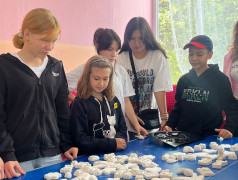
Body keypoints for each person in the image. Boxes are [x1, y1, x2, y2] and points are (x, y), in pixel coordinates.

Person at [0, 8, 78, 179]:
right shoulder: (4, 66)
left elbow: (63, 111)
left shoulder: (56, 66)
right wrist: (6, 154)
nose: (49, 47)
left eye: (53, 41)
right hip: (17, 160)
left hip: (53, 155)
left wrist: (67, 143)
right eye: (44, 40)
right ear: (27, 34)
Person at [66, 28, 147, 139]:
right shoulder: (86, 68)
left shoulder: (120, 71)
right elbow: (60, 86)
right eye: (110, 49)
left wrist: (136, 125)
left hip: (117, 131)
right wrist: (77, 101)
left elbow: (126, 101)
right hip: (96, 136)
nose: (114, 54)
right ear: (98, 47)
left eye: (117, 50)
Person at [164, 35, 238, 139]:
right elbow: (178, 107)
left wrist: (229, 128)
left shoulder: (220, 79)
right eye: (191, 54)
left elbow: (232, 107)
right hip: (183, 136)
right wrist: (169, 125)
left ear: (210, 55)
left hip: (209, 137)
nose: (194, 58)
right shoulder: (183, 80)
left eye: (199, 54)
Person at [117, 17, 173, 132]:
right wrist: (131, 117)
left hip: (149, 120)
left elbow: (159, 88)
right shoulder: (121, 58)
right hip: (126, 123)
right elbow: (120, 93)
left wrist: (164, 117)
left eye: (141, 39)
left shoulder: (157, 56)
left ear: (147, 38)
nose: (136, 43)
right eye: (132, 38)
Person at [70, 55, 127, 154]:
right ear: (87, 77)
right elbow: (80, 140)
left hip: (116, 155)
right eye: (96, 79)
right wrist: (112, 144)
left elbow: (122, 127)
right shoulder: (79, 104)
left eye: (105, 79)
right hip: (88, 160)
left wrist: (120, 141)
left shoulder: (114, 100)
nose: (101, 83)